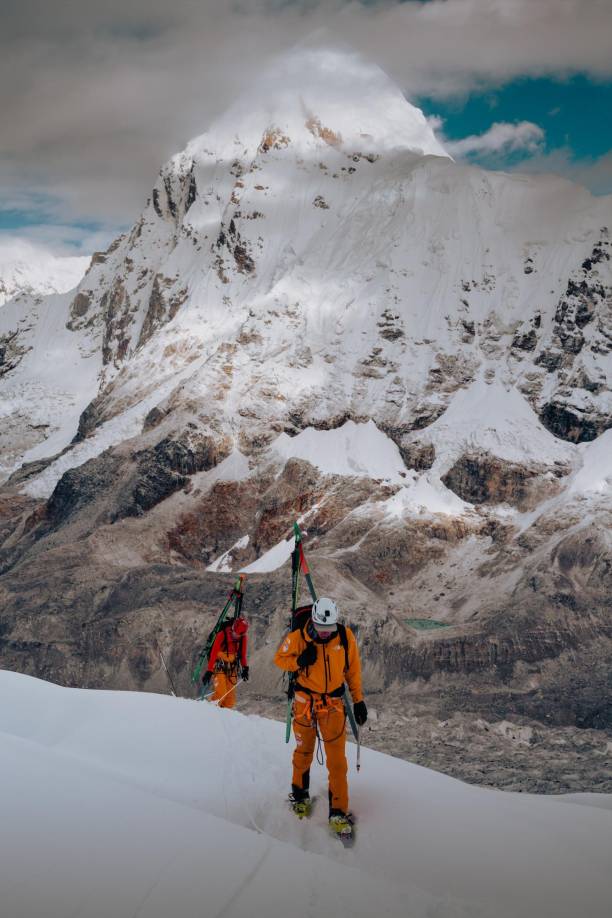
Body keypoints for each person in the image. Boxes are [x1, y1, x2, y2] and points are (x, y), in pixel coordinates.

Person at [274, 597, 367, 834]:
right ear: (313, 621)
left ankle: (338, 812)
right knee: (303, 752)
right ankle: (299, 797)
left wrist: (358, 701)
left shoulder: (345, 637)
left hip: (333, 706)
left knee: (337, 762)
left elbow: (353, 671)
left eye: (329, 630)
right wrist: (298, 661)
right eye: (321, 629)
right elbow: (279, 659)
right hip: (305, 704)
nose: (325, 634)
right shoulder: (298, 638)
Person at [202, 616, 249, 708]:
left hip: (232, 668)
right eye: (235, 633)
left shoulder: (243, 638)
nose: (236, 636)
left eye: (239, 635)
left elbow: (242, 655)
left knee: (230, 700)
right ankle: (210, 712)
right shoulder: (222, 634)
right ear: (232, 628)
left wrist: (245, 668)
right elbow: (213, 654)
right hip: (219, 667)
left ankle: (223, 719)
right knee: (221, 694)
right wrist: (209, 670)